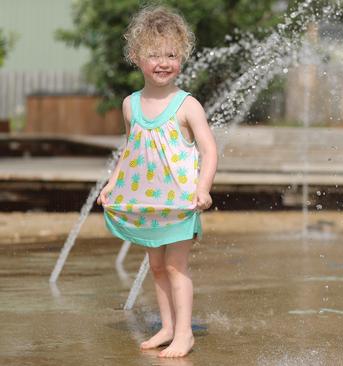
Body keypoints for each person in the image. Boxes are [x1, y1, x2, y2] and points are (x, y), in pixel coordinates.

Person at [96, 5, 218, 358]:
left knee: (177, 267)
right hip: (148, 202)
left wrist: (203, 188)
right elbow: (130, 152)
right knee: (157, 266)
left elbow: (209, 151)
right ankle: (166, 326)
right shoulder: (131, 105)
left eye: (171, 55)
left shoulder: (186, 105)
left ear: (183, 57)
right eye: (154, 54)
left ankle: (185, 334)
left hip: (181, 204)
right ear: (136, 57)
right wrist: (112, 184)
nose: (163, 62)